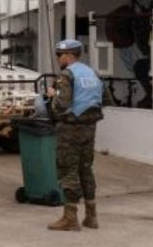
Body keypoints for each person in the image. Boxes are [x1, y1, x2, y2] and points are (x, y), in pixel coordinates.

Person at [45, 39, 107, 231]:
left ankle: (70, 218)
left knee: (67, 170)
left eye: (59, 55)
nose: (57, 59)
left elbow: (61, 105)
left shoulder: (67, 75)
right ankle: (91, 216)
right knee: (85, 169)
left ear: (69, 56)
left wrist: (51, 95)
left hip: (70, 129)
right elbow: (105, 99)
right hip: (90, 128)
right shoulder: (92, 73)